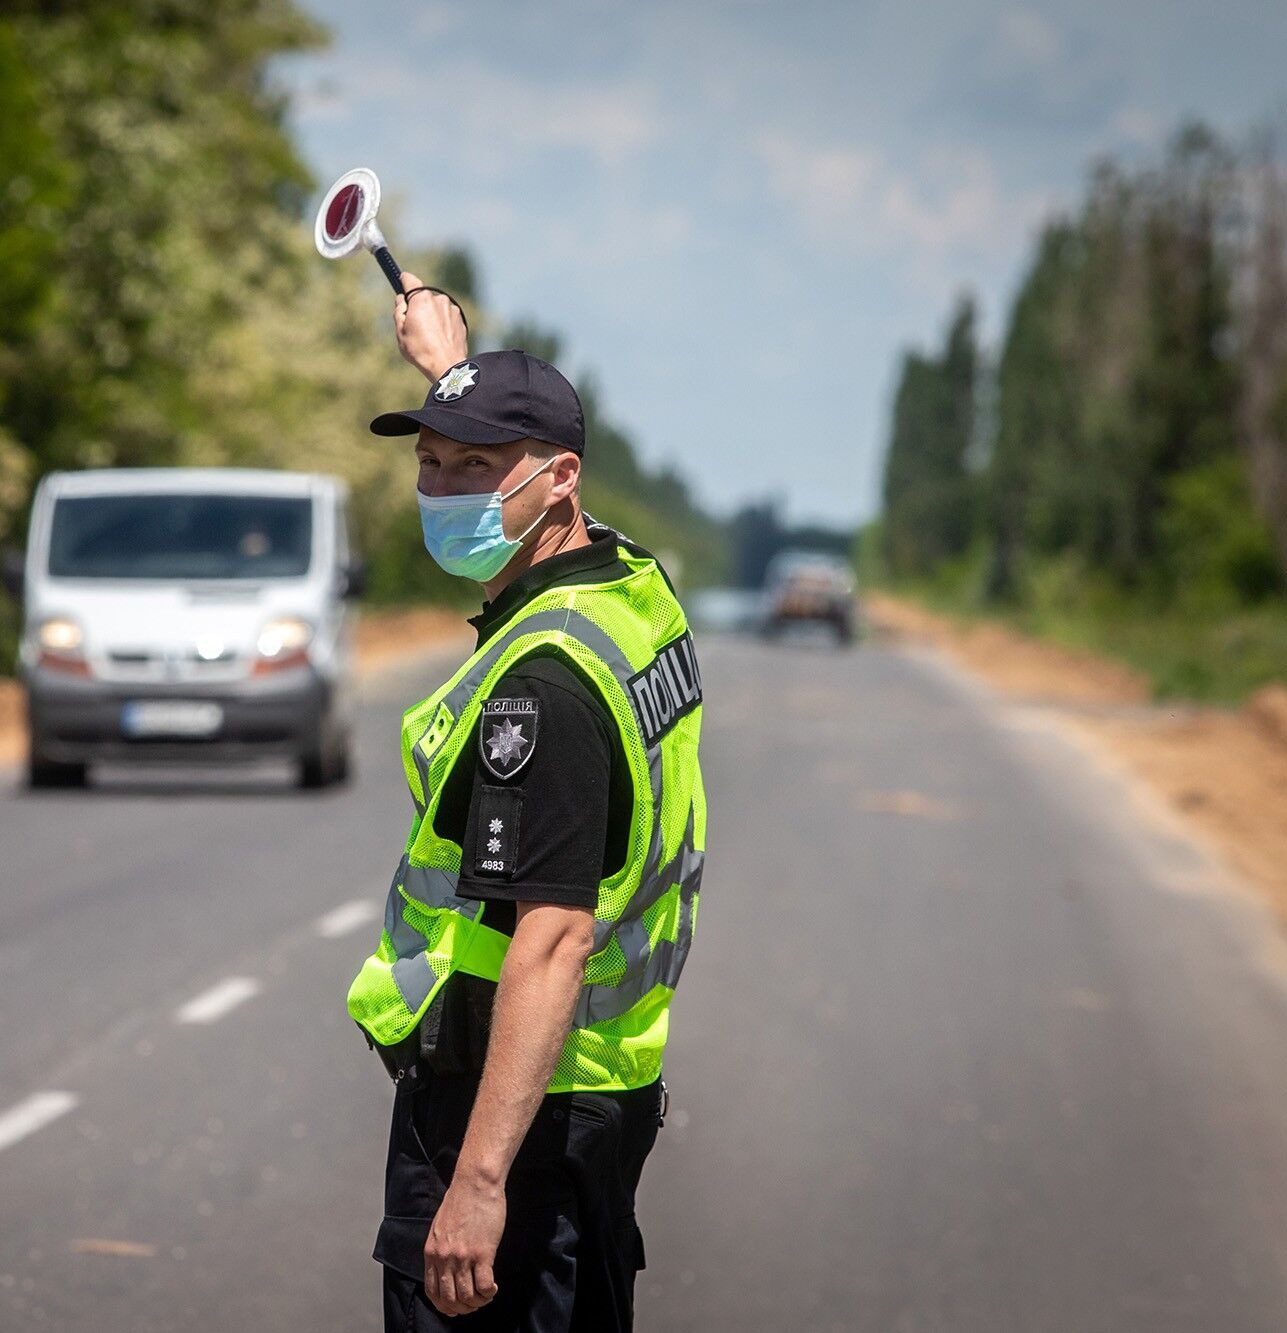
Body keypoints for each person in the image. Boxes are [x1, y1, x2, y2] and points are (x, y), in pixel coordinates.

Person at [345, 274, 708, 1331]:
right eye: (430, 461)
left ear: (557, 480)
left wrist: (476, 1182)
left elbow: (548, 937)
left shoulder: (540, 687)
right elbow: (546, 469)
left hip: (514, 1118)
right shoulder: (629, 592)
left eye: (474, 467)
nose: (444, 489)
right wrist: (454, 377)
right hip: (600, 1090)